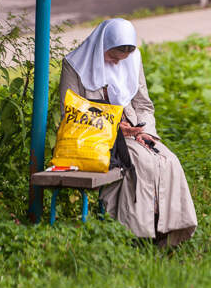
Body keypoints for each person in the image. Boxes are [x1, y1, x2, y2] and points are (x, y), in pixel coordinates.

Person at [59, 18, 197, 247]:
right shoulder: (74, 65)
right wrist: (111, 125)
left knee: (168, 160)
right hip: (92, 137)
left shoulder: (132, 60)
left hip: (132, 131)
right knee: (141, 162)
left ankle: (169, 231)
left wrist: (147, 132)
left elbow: (143, 105)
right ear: (100, 47)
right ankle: (137, 235)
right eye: (112, 58)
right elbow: (69, 112)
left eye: (121, 60)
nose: (116, 64)